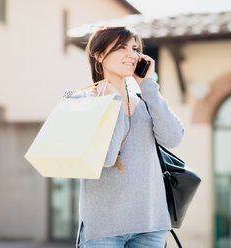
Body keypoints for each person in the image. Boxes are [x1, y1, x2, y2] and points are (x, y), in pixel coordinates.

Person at [73, 26, 184, 248]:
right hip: (104, 228)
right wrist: (114, 103)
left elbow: (173, 138)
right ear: (100, 55)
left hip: (150, 226)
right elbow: (105, 157)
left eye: (134, 49)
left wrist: (148, 85)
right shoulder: (82, 100)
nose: (132, 55)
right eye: (121, 47)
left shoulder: (146, 101)